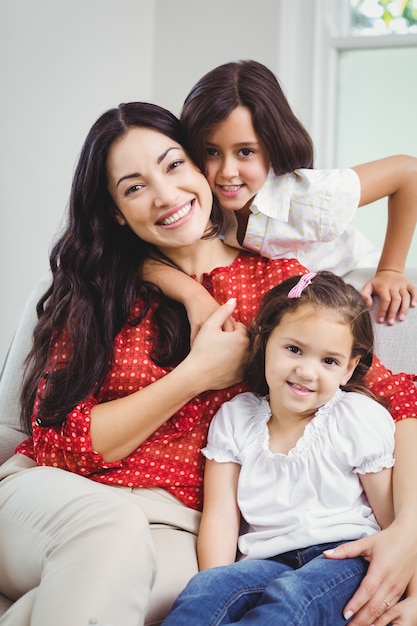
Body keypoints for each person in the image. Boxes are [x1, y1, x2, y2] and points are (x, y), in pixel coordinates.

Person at [0, 102, 416, 626]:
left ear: (199, 168)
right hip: (50, 499)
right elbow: (63, 443)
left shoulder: (276, 286)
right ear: (114, 211)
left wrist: (409, 532)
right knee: (108, 534)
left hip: (176, 526)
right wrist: (196, 374)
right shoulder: (91, 289)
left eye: (174, 165)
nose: (166, 195)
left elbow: (396, 397)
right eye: (133, 187)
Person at [162, 271, 398, 625]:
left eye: (329, 361)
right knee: (205, 593)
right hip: (265, 561)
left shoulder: (356, 417)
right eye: (294, 349)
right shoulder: (235, 418)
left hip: (344, 558)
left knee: (291, 600)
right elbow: (221, 517)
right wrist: (216, 579)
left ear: (349, 368)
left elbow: (391, 519)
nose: (307, 371)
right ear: (264, 340)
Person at [144, 59, 417, 338]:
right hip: (293, 302)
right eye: (211, 151)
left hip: (352, 282)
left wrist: (391, 268)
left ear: (273, 147)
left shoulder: (307, 195)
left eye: (245, 152)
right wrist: (192, 294)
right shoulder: (203, 203)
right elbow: (140, 255)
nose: (227, 172)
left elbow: (408, 172)